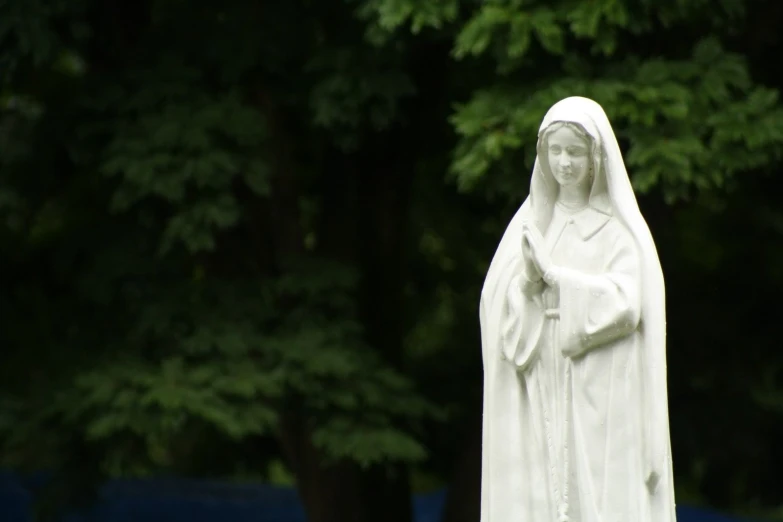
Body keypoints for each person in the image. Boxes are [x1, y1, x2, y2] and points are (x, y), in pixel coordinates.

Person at [478, 97, 676, 522]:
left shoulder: (618, 231)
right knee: (546, 490)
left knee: (592, 492)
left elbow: (628, 304)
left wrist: (557, 279)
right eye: (555, 151)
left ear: (595, 158)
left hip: (599, 388)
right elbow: (503, 319)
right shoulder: (533, 226)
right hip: (542, 379)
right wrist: (528, 285)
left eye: (574, 151)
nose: (564, 163)